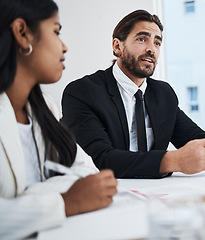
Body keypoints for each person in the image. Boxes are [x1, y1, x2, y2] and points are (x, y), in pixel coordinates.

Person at [62, 10, 205, 179]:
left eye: (157, 43)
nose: (151, 49)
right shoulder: (82, 92)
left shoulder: (163, 93)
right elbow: (101, 159)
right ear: (117, 46)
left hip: (158, 190)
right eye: (142, 39)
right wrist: (173, 160)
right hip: (108, 192)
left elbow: (194, 139)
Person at [0, 0, 118, 239]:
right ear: (23, 33)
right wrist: (64, 202)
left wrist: (31, 201)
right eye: (56, 31)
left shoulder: (46, 108)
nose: (64, 47)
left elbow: (85, 169)